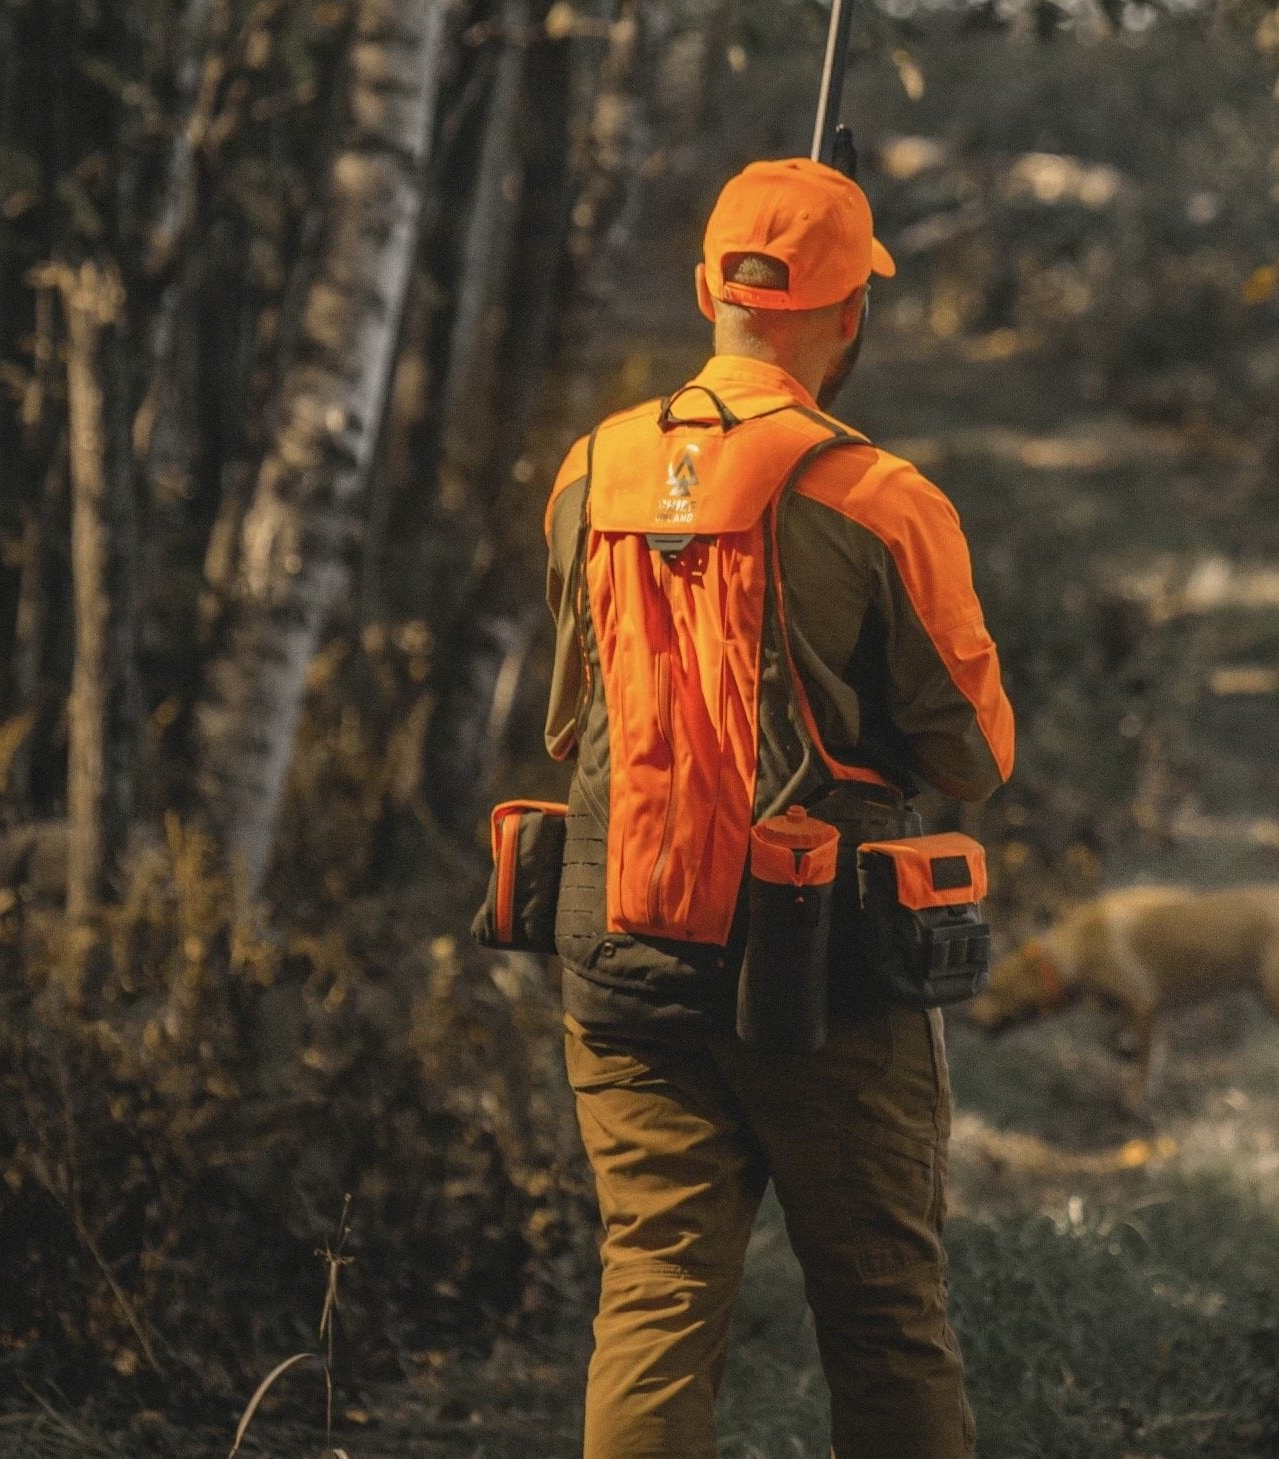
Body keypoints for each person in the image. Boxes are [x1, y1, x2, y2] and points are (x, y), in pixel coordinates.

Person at [540, 156, 1015, 1459]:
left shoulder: (591, 468)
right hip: (820, 965)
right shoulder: (880, 496)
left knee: (652, 1291)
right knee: (880, 1310)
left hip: (619, 938)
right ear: (851, 311)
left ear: (707, 288)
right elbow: (970, 756)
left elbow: (573, 715)